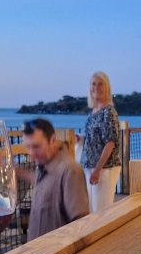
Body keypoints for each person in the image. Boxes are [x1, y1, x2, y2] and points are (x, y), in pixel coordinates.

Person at [17, 118, 88, 241]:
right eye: (28, 147)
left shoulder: (70, 171)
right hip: (37, 250)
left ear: (52, 140)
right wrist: (16, 171)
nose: (32, 155)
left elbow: (81, 224)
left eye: (36, 147)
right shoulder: (45, 165)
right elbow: (47, 184)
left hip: (55, 251)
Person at [80, 71, 121, 213]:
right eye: (93, 84)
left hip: (105, 168)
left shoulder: (109, 112)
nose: (96, 87)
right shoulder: (93, 112)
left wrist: (97, 170)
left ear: (107, 87)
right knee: (91, 211)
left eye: (100, 84)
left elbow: (110, 142)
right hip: (90, 167)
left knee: (102, 212)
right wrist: (81, 139)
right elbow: (93, 139)